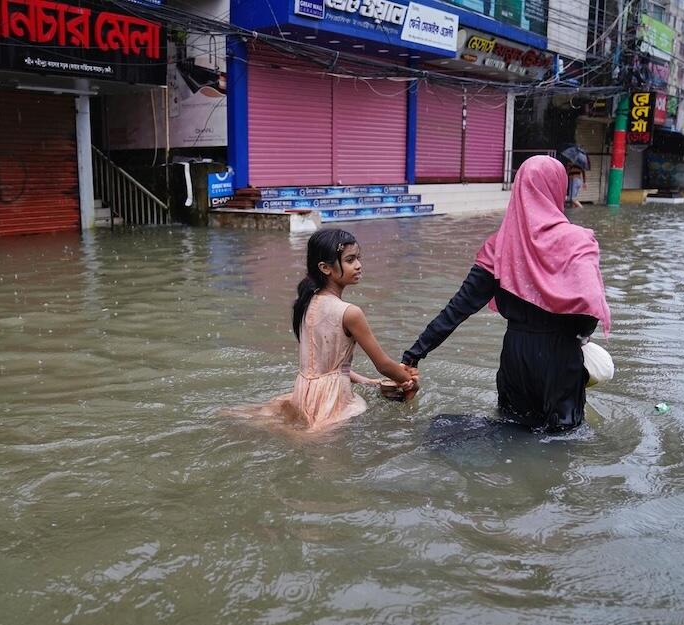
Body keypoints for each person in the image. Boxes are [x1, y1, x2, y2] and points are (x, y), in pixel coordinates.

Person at [401, 155, 611, 432]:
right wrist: (579, 339)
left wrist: (414, 354)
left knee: (512, 428)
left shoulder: (499, 248)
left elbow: (458, 309)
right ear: (556, 188)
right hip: (560, 358)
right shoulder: (577, 241)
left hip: (515, 358)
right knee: (562, 441)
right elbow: (589, 308)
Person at [243, 228, 418, 431]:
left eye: (358, 258)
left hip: (303, 393)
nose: (359, 266)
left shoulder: (306, 302)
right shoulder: (350, 313)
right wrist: (409, 381)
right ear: (325, 268)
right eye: (350, 260)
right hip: (333, 399)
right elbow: (384, 365)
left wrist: (369, 382)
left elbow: (326, 368)